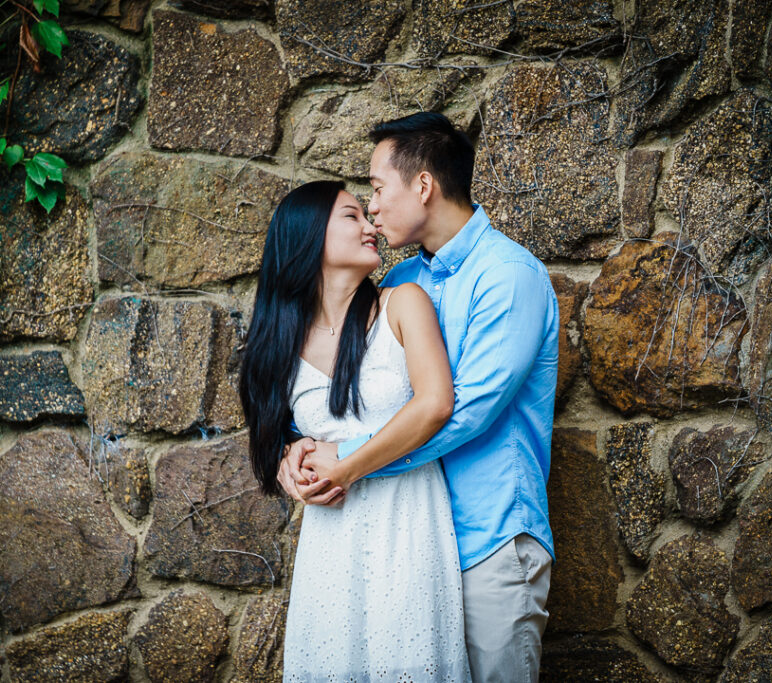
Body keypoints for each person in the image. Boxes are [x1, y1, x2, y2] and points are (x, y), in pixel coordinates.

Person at [279, 112, 559, 683]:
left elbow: (461, 414)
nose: (373, 208)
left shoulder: (508, 277)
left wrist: (348, 463)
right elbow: (353, 392)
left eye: (378, 189)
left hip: (490, 540)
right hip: (413, 547)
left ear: (424, 185)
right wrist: (301, 448)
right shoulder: (406, 284)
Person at [239, 180, 472, 681]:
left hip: (408, 523)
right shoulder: (279, 341)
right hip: (331, 541)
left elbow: (435, 404)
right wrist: (288, 462)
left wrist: (345, 464)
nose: (371, 225)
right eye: (351, 216)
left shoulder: (403, 304)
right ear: (307, 237)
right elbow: (279, 435)